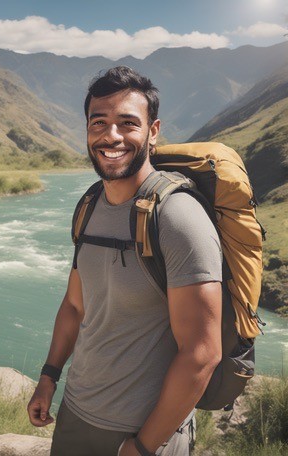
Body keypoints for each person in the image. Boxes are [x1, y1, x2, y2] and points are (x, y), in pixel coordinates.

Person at [27, 66, 223, 456]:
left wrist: (145, 445)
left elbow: (203, 353)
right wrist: (49, 377)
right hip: (76, 415)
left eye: (127, 124)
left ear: (153, 131)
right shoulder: (89, 205)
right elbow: (74, 305)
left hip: (143, 431)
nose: (110, 136)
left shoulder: (177, 217)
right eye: (98, 122)